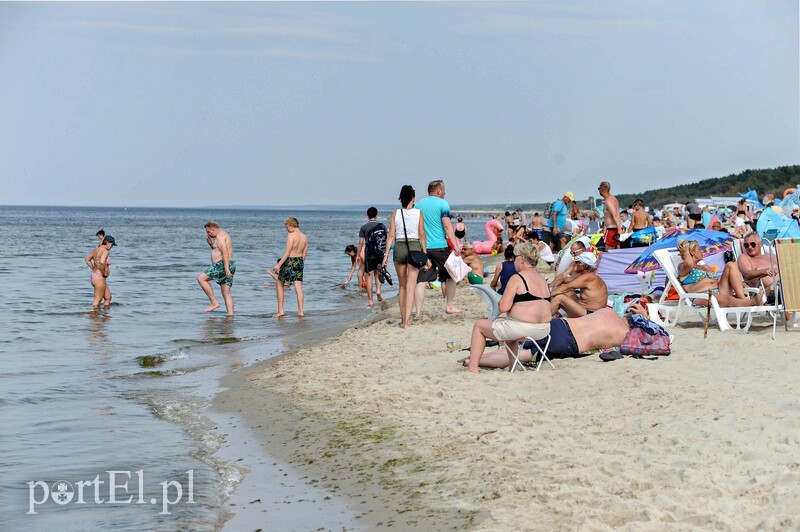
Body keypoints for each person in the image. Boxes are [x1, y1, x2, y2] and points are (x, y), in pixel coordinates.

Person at [465, 243, 551, 374]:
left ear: (522, 259)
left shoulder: (517, 278)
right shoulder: (542, 279)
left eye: (515, 257)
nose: (513, 260)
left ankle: (472, 368)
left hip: (523, 328)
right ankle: (513, 367)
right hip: (544, 330)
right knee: (510, 328)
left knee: (479, 326)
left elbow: (504, 306)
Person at [459, 308, 630, 369]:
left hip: (559, 325)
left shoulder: (609, 311)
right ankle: (478, 362)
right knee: (524, 355)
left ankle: (473, 357)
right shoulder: (623, 335)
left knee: (515, 346)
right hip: (570, 343)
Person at [383, 185, 428, 328]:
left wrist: (386, 254)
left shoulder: (395, 213)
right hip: (414, 247)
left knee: (402, 286)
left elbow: (391, 235)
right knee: (411, 286)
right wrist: (425, 252)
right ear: (413, 198)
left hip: (399, 247)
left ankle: (402, 320)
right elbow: (421, 234)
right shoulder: (419, 213)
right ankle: (407, 321)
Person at [415, 180, 462, 314]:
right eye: (444, 190)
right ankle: (450, 306)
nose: (445, 192)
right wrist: (456, 245)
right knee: (451, 276)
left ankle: (418, 312)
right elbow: (447, 226)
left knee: (422, 280)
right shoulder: (443, 204)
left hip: (423, 247)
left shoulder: (418, 205)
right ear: (439, 191)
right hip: (440, 246)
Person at [677, 239, 762, 308]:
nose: (702, 251)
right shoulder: (682, 267)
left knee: (731, 265)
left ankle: (743, 299)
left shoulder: (704, 267)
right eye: (699, 249)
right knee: (728, 299)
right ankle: (752, 302)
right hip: (702, 296)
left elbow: (718, 278)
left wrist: (737, 282)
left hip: (719, 289)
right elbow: (688, 264)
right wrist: (686, 251)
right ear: (692, 252)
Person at [550, 249, 608, 317]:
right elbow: (564, 280)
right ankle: (549, 309)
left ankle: (543, 319)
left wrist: (546, 296)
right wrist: (551, 287)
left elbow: (565, 287)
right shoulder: (586, 275)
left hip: (591, 314)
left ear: (583, 266)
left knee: (559, 298)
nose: (575, 265)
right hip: (585, 309)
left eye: (577, 263)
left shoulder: (589, 277)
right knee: (565, 292)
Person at [197, 221, 235, 316]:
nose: (208, 234)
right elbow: (218, 249)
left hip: (222, 265)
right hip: (230, 264)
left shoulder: (220, 237)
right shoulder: (223, 234)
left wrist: (226, 269)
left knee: (201, 279)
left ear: (213, 229)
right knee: (226, 292)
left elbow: (225, 253)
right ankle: (230, 315)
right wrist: (211, 244)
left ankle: (214, 302)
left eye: (208, 232)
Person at [273, 217, 308, 317]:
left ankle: (280, 311)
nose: (287, 229)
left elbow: (288, 252)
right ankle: (301, 312)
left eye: (287, 227)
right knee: (298, 287)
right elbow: (304, 253)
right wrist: (301, 264)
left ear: (291, 226)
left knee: (279, 284)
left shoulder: (291, 235)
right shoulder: (304, 236)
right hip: (300, 261)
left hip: (290, 261)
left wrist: (278, 265)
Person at [356, 207, 386, 306]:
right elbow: (386, 241)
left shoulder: (364, 227)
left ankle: (370, 301)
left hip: (370, 255)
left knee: (369, 277)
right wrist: (386, 255)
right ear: (377, 215)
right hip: (381, 254)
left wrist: (357, 255)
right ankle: (378, 290)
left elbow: (360, 243)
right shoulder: (382, 226)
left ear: (367, 216)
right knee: (378, 274)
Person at [86, 235, 115, 308]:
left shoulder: (96, 249)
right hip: (99, 278)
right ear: (107, 243)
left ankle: (105, 317)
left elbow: (87, 259)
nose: (112, 247)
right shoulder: (105, 251)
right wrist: (104, 272)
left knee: (108, 297)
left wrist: (93, 268)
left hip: (95, 276)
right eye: (112, 245)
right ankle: (93, 317)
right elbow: (102, 262)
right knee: (97, 301)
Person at [597, 181, 621, 249]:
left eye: (598, 189)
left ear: (602, 189)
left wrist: (619, 230)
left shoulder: (608, 201)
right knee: (615, 253)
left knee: (609, 253)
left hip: (612, 230)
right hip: (614, 229)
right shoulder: (613, 198)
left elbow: (615, 215)